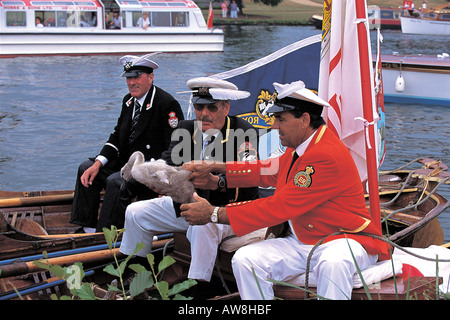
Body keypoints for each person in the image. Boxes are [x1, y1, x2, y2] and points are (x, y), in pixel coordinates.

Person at [180, 80, 390, 300]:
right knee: (246, 260)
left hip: (345, 239)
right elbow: (267, 169)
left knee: (333, 262)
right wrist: (216, 168)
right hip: (303, 240)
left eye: (280, 119)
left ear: (305, 120)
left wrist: (214, 213)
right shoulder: (300, 149)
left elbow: (279, 206)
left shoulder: (324, 155)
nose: (274, 126)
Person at [119, 77, 259, 297]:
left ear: (226, 107)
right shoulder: (185, 128)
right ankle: (138, 273)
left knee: (201, 226)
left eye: (211, 107)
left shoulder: (244, 132)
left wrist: (218, 182)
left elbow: (250, 178)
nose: (204, 114)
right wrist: (153, 177)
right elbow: (169, 162)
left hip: (227, 210)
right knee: (135, 212)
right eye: (199, 107)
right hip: (186, 205)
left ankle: (197, 287)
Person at [70, 54, 184, 233]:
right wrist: (98, 163)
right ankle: (87, 228)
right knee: (86, 168)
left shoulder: (167, 104)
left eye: (137, 77)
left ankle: (104, 235)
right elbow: (117, 136)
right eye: (129, 78)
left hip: (150, 168)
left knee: (115, 182)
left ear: (150, 77)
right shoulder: (129, 101)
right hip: (127, 161)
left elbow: (175, 149)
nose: (132, 82)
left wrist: (160, 178)